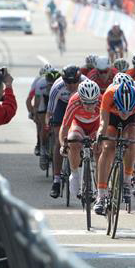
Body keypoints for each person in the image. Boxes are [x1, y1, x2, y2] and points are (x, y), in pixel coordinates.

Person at [94, 82, 135, 215]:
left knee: (132, 138)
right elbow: (103, 123)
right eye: (122, 109)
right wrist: (99, 138)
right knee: (108, 147)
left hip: (132, 121)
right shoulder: (109, 95)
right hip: (112, 119)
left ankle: (127, 180)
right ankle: (101, 195)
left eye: (128, 109)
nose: (125, 113)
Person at [46, 65, 86, 198]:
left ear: (79, 80)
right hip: (62, 106)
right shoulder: (57, 88)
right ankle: (56, 180)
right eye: (67, 82)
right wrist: (48, 124)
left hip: (79, 105)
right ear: (63, 80)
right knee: (59, 142)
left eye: (74, 82)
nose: (71, 85)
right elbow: (49, 112)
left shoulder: (86, 83)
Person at [59, 80, 101, 198]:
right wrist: (63, 144)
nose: (90, 106)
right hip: (78, 125)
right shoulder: (74, 101)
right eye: (86, 103)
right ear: (80, 99)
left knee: (99, 149)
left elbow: (106, 124)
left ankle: (100, 186)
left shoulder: (101, 102)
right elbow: (65, 126)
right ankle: (75, 174)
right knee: (73, 140)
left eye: (93, 102)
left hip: (95, 126)